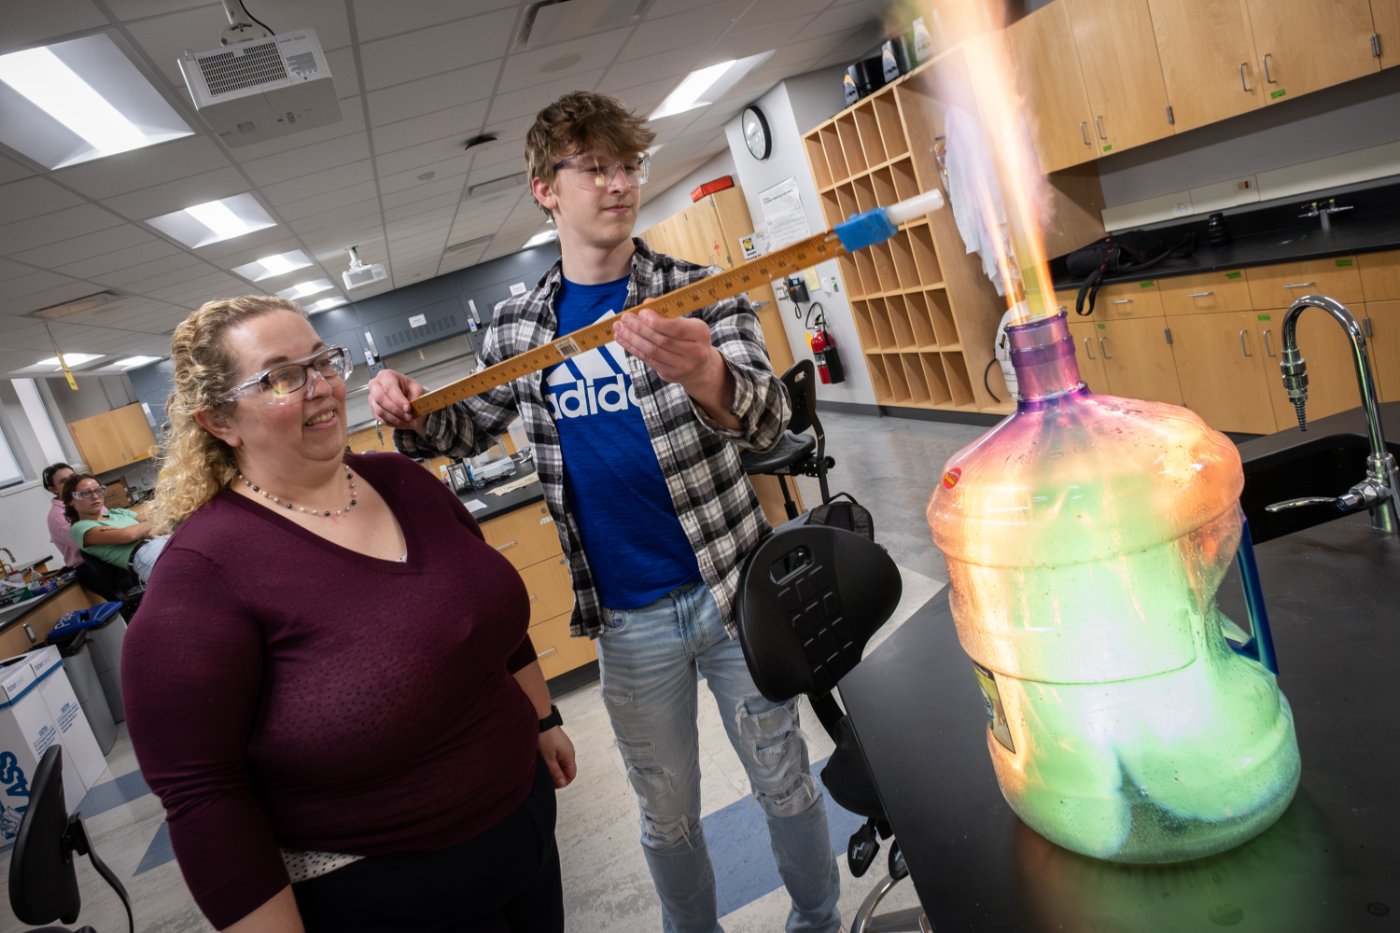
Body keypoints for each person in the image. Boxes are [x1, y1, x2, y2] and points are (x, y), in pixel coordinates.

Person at [369, 91, 843, 933]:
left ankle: (818, 918)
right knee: (667, 816)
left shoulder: (700, 292)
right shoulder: (518, 329)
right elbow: (461, 425)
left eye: (626, 165)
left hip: (734, 594)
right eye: (593, 166)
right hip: (627, 623)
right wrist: (407, 407)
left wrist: (708, 377)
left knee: (786, 779)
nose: (617, 182)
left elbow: (772, 419)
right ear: (545, 188)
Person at [122, 295, 576, 933]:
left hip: (523, 829)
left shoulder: (406, 481)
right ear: (220, 420)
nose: (321, 388)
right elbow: (203, 794)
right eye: (281, 376)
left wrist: (541, 718)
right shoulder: (202, 575)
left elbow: (489, 620)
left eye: (322, 361)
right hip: (384, 891)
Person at [62, 473, 166, 584]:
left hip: (161, 541)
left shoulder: (118, 512)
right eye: (85, 493)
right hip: (144, 554)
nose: (95, 496)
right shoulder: (80, 527)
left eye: (98, 490)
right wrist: (141, 528)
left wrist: (137, 529)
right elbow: (128, 535)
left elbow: (162, 525)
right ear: (71, 501)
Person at [42, 462, 86, 568]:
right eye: (64, 481)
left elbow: (108, 517)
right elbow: (85, 542)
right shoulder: (57, 516)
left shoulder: (87, 499)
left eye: (74, 477)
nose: (73, 482)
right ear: (53, 489)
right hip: (87, 565)